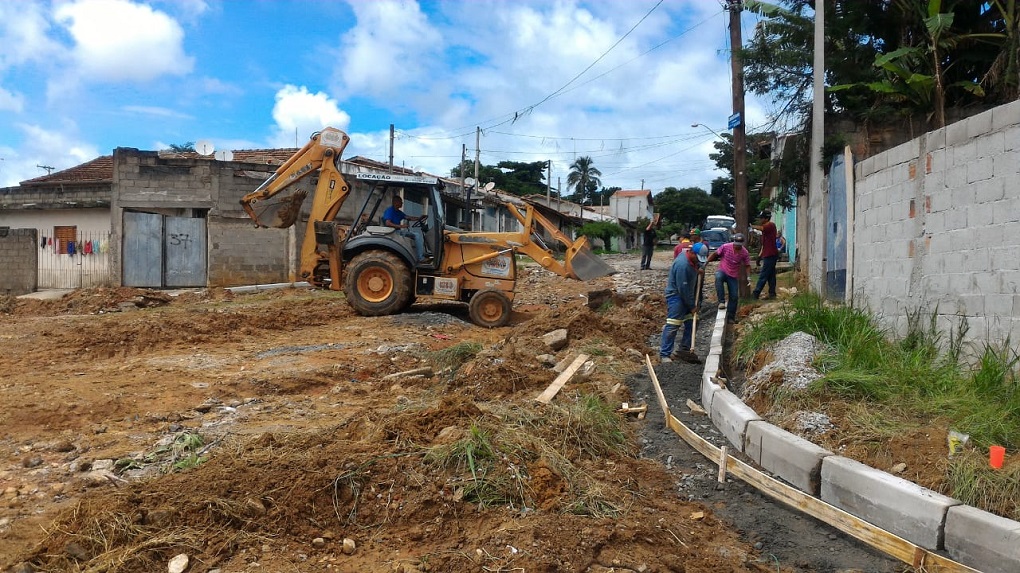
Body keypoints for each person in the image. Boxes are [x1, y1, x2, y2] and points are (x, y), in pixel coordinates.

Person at [659, 246, 703, 364]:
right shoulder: (682, 265)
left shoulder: (692, 259)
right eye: (697, 259)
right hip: (676, 296)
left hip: (687, 295)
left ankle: (684, 349)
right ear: (692, 253)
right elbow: (682, 288)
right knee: (673, 324)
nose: (698, 261)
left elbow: (696, 265)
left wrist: (697, 269)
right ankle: (665, 354)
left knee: (692, 321)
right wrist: (692, 306)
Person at [706, 233, 751, 324]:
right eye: (736, 245)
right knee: (718, 277)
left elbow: (747, 265)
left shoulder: (744, 252)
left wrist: (748, 277)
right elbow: (715, 254)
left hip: (733, 275)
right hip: (723, 270)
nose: (737, 247)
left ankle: (731, 317)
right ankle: (721, 301)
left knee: (734, 296)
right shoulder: (725, 247)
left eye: (739, 246)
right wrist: (706, 262)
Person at [382, 195, 427, 261]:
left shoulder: (399, 212)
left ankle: (419, 255)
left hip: (398, 231)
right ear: (396, 202)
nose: (402, 203)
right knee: (416, 235)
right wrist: (401, 226)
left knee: (414, 235)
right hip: (392, 232)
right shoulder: (390, 211)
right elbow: (387, 223)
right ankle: (420, 257)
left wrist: (419, 218)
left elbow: (409, 217)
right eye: (401, 202)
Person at [752, 210, 779, 300]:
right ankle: (772, 293)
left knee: (763, 275)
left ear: (766, 218)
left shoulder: (770, 225)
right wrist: (759, 256)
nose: (760, 220)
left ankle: (756, 292)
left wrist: (752, 226)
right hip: (768, 254)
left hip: (771, 254)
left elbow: (762, 228)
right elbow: (764, 245)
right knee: (770, 275)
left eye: (762, 218)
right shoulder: (765, 232)